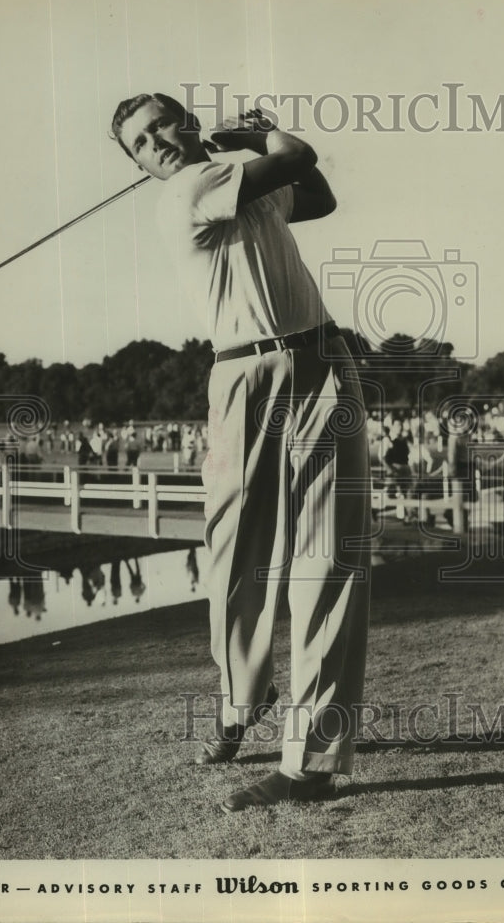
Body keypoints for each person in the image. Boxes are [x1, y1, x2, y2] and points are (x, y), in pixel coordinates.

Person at [111, 93, 371, 812]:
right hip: (242, 375)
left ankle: (308, 765)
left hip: (321, 359)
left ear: (186, 122)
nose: (155, 142)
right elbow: (295, 156)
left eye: (162, 123)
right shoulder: (190, 190)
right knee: (235, 554)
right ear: (137, 164)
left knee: (330, 557)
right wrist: (259, 136)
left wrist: (250, 145)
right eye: (139, 143)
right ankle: (240, 700)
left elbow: (315, 193)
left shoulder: (240, 181)